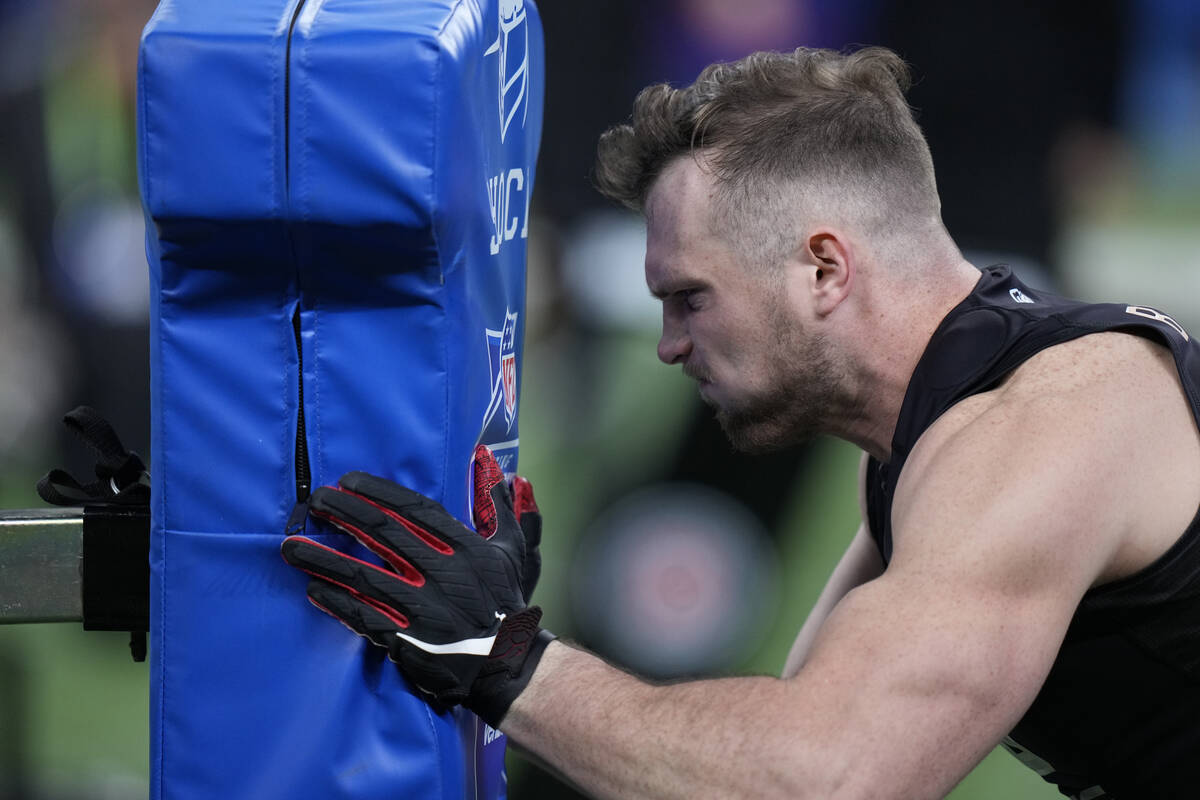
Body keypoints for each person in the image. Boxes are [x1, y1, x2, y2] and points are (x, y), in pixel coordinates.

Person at [281, 47, 1200, 799]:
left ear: (824, 270)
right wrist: (515, 639)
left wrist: (501, 657)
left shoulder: (1042, 424)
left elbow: (826, 779)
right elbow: (754, 761)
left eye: (691, 299)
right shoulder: (929, 437)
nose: (669, 346)